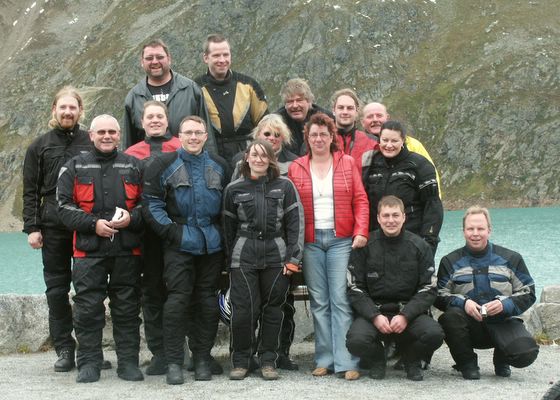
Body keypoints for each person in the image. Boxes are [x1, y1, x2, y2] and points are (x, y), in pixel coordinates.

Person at [142, 115, 230, 385]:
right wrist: (171, 232)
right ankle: (174, 362)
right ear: (179, 136)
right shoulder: (163, 164)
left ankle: (202, 357)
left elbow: (228, 204)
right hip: (178, 243)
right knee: (177, 300)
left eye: (198, 133)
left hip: (212, 245)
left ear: (205, 136)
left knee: (207, 302)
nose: (193, 137)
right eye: (188, 132)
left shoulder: (219, 165)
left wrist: (224, 237)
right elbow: (151, 203)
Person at [56, 115, 144, 383]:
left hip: (127, 252)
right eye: (102, 132)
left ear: (119, 135)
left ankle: (128, 364)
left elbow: (149, 204)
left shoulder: (135, 166)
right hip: (87, 253)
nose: (107, 136)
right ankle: (89, 363)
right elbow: (63, 207)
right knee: (87, 310)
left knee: (127, 310)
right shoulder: (73, 166)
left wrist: (132, 218)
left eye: (112, 132)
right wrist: (93, 224)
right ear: (91, 135)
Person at [22, 86, 100, 373]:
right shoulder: (39, 146)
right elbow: (31, 191)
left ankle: (90, 349)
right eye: (63, 107)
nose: (68, 112)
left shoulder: (91, 142)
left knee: (89, 289)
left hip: (86, 225)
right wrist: (32, 227)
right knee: (56, 290)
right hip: (53, 226)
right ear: (54, 110)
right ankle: (65, 348)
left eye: (73, 108)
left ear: (80, 111)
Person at [288, 112, 369, 381]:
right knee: (319, 302)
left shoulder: (346, 162)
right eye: (314, 134)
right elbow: (291, 208)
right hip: (310, 241)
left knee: (340, 299)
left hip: (340, 239)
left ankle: (347, 361)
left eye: (324, 134)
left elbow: (360, 199)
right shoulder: (297, 166)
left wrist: (361, 231)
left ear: (332, 136)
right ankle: (325, 359)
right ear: (307, 138)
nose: (319, 139)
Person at [223, 140, 304, 381]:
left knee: (273, 310)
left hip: (276, 255)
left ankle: (268, 360)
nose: (259, 159)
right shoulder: (233, 189)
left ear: (271, 160)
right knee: (243, 311)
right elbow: (227, 228)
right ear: (246, 158)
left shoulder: (285, 186)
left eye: (264, 155)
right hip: (243, 255)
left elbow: (296, 224)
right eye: (254, 155)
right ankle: (242, 361)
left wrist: (293, 258)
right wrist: (229, 261)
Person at [345, 195, 444, 381]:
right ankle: (377, 359)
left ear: (404, 217)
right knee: (355, 342)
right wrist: (375, 316)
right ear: (378, 218)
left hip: (408, 313)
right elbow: (354, 288)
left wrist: (406, 315)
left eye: (395, 215)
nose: (391, 220)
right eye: (386, 215)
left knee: (434, 334)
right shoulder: (365, 246)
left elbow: (429, 288)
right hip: (376, 313)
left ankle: (411, 360)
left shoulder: (420, 246)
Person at [435, 206, 539, 380]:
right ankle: (467, 364)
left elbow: (528, 292)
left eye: (480, 228)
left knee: (526, 353)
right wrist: (463, 303)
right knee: (449, 318)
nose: (475, 233)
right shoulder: (449, 261)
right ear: (463, 231)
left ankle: (502, 359)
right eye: (470, 229)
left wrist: (504, 304)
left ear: (489, 230)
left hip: (503, 322)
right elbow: (439, 295)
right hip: (469, 326)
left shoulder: (511, 258)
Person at [124, 101, 180, 376]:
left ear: (167, 120)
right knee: (152, 292)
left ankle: (183, 349)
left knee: (182, 290)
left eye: (160, 116)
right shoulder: (131, 153)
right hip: (146, 234)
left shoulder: (182, 146)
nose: (155, 120)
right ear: (142, 122)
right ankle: (159, 352)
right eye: (150, 117)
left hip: (179, 231)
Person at [363, 120, 443, 255]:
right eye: (385, 140)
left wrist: (428, 243)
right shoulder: (371, 164)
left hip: (412, 240)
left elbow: (433, 206)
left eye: (394, 141)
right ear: (379, 140)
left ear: (403, 141)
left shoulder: (420, 164)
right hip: (377, 242)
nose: (389, 145)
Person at [124, 38, 216, 152]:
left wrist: (210, 159)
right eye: (149, 58)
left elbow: (207, 133)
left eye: (160, 57)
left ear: (169, 59)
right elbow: (129, 142)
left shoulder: (191, 89)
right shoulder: (134, 96)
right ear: (142, 62)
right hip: (147, 162)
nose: (155, 62)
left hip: (186, 160)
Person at [195, 34, 268, 161]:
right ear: (206, 58)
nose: (222, 60)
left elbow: (265, 123)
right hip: (211, 156)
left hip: (247, 155)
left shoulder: (248, 85)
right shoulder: (195, 88)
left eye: (226, 55)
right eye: (216, 55)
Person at [360, 102, 441, 194]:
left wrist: (435, 200)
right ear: (362, 122)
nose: (375, 119)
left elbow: (430, 177)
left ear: (387, 118)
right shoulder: (358, 147)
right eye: (370, 116)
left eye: (379, 115)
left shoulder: (413, 144)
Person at [275, 78, 333, 155]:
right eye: (290, 101)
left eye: (299, 100)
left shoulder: (325, 117)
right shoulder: (277, 120)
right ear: (285, 105)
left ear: (309, 102)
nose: (295, 105)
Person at [330, 88, 377, 170]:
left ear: (357, 111)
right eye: (341, 108)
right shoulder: (320, 140)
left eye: (350, 108)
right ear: (333, 110)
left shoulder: (372, 142)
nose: (345, 112)